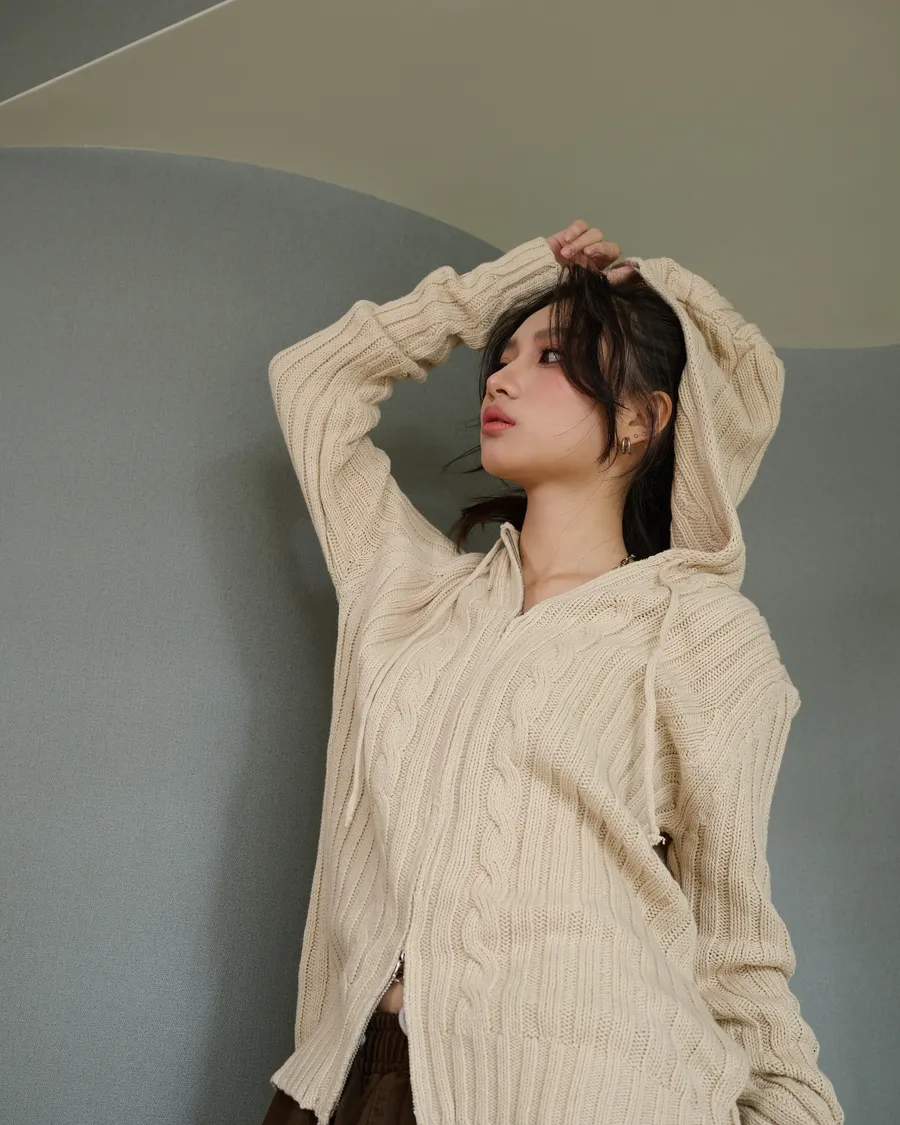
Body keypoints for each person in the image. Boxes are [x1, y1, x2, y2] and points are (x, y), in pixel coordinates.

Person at [260, 221, 844, 1125]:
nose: (499, 378)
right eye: (502, 358)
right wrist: (521, 279)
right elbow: (314, 380)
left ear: (644, 418)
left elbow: (735, 939)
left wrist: (792, 1107)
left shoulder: (701, 632)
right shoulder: (410, 592)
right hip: (355, 1078)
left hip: (594, 1091)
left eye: (554, 358)